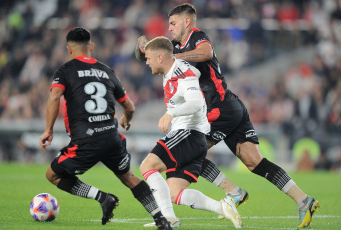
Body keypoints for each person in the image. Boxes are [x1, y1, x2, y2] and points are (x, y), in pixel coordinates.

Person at [136, 3, 319, 228]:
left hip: (218, 108)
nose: (170, 28)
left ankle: (233, 192)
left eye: (173, 23)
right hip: (231, 107)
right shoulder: (174, 45)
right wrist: (144, 46)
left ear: (187, 22)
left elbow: (207, 52)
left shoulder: (197, 37)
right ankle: (303, 199)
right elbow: (158, 53)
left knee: (192, 148)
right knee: (254, 161)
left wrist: (178, 55)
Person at [39, 27, 172, 230]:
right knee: (129, 178)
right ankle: (161, 219)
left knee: (53, 175)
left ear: (69, 50)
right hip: (112, 137)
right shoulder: (107, 71)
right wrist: (126, 119)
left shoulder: (65, 70)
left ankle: (102, 197)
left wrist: (48, 130)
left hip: (86, 140)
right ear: (91, 47)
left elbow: (55, 97)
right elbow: (129, 106)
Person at [139, 36, 242, 229]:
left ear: (160, 57)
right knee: (173, 193)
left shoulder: (181, 73)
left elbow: (195, 102)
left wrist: (171, 113)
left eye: (149, 59)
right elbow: (160, 56)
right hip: (195, 139)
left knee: (147, 165)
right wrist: (144, 47)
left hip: (188, 133)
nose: (146, 62)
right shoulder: (171, 68)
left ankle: (167, 219)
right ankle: (222, 207)